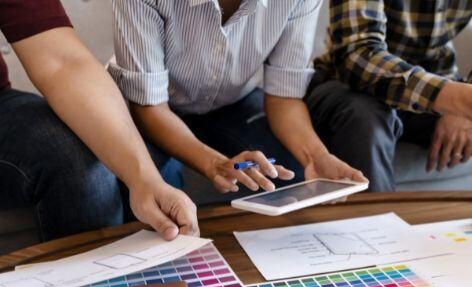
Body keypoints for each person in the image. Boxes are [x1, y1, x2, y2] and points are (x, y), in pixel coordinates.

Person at [0, 0, 198, 243]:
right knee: (76, 160)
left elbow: (63, 62)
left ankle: (140, 279)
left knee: (105, 152)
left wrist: (144, 178)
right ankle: (90, 283)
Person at [307, 0, 472, 192]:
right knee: (364, 119)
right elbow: (358, 53)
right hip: (351, 87)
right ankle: (375, 250)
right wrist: (460, 100)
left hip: (438, 87)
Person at [108, 0, 368, 196]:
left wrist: (317, 157)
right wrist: (215, 164)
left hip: (233, 102)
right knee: (163, 187)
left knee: (290, 177)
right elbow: (149, 106)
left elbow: (283, 97)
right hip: (150, 108)